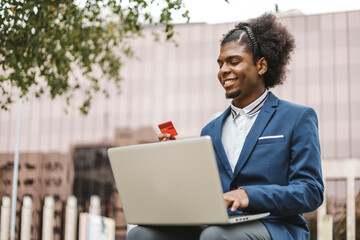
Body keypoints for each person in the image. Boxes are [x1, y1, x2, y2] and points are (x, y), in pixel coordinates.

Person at [127, 13, 324, 240]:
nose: (223, 70)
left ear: (261, 66)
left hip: (274, 225)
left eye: (234, 61)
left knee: (215, 235)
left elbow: (310, 191)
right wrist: (175, 163)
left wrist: (248, 195)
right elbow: (205, 192)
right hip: (218, 224)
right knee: (140, 234)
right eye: (220, 64)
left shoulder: (297, 118)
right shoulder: (210, 130)